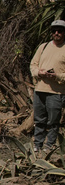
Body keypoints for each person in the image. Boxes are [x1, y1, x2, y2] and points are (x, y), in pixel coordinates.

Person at [31, 19, 65, 153]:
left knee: (53, 121)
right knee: (39, 120)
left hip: (57, 92)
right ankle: (37, 145)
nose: (56, 33)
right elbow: (33, 64)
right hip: (40, 89)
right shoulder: (43, 47)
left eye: (60, 31)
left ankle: (49, 146)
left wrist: (56, 76)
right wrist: (38, 72)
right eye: (54, 31)